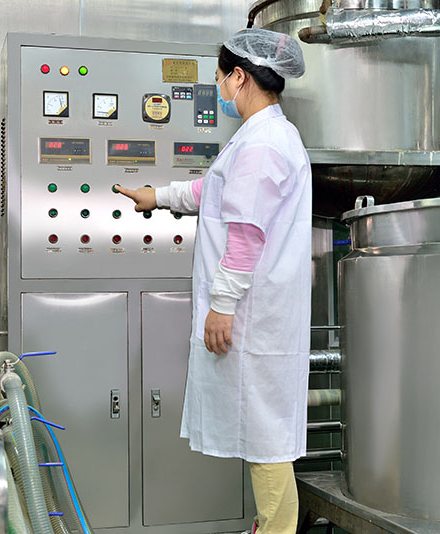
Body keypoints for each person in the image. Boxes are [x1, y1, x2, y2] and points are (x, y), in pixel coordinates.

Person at [118, 28, 311, 534]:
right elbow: (213, 191)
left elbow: (245, 233)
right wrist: (157, 197)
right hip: (259, 310)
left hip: (252, 313)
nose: (219, 87)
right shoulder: (263, 136)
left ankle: (276, 529)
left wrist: (221, 306)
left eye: (221, 77)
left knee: (266, 440)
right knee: (261, 433)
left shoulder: (263, 144)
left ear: (239, 77)